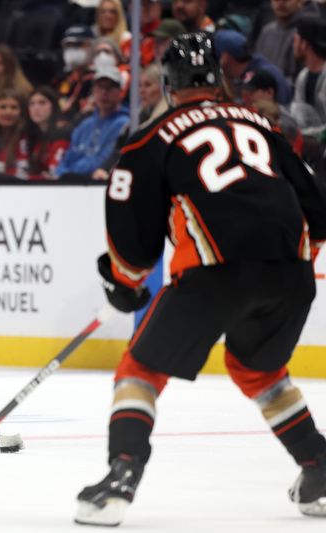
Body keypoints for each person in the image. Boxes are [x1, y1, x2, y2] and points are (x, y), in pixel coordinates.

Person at [75, 32, 326, 527]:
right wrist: (292, 259)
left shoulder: (151, 139)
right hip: (293, 273)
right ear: (218, 80)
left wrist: (123, 280)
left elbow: (131, 229)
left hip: (215, 274)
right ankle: (318, 465)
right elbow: (317, 208)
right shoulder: (264, 126)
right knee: (259, 371)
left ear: (168, 85)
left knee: (139, 372)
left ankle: (122, 476)